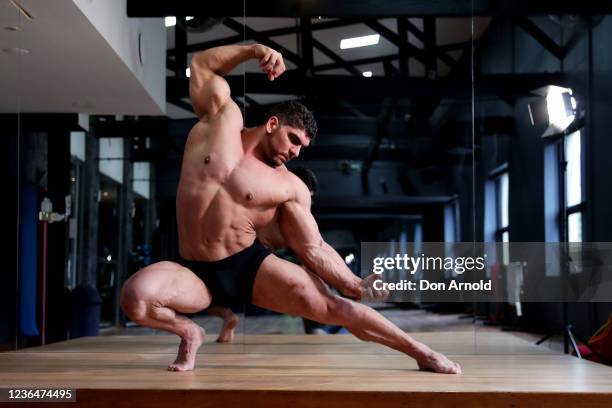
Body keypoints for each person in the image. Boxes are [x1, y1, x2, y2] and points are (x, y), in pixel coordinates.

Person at [120, 44, 461, 375]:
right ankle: (190, 333)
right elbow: (202, 66)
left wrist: (355, 284)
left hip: (246, 265)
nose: (297, 153)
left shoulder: (289, 187)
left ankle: (422, 352)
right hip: (192, 268)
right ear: (272, 124)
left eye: (303, 147)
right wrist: (254, 50)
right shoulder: (222, 119)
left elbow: (313, 248)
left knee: (334, 308)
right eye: (294, 139)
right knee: (135, 299)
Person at [207, 166, 319, 343]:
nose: (305, 203)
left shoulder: (300, 217)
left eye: (309, 199)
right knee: (206, 293)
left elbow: (308, 248)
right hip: (245, 251)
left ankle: (315, 326)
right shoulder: (269, 198)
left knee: (309, 286)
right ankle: (228, 316)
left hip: (261, 256)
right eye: (305, 196)